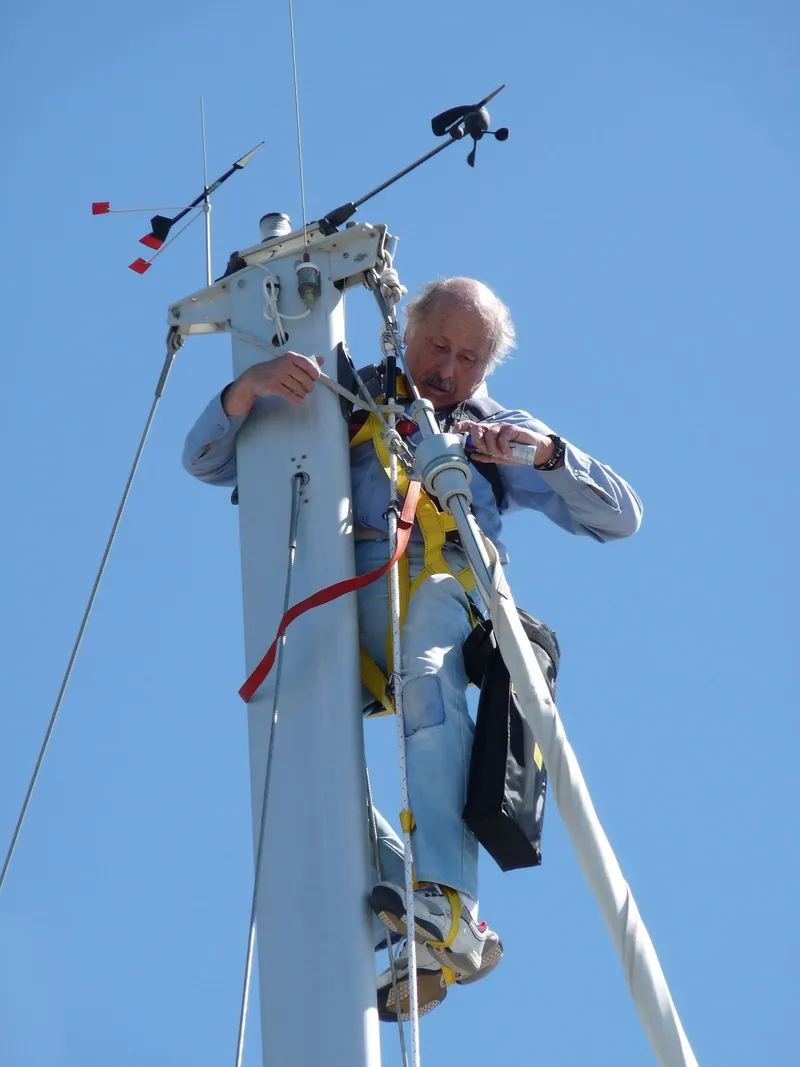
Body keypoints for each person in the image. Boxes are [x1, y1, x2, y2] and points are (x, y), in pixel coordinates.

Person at [182, 277, 642, 1019]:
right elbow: (206, 459)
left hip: (448, 597)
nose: (450, 369)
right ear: (407, 332)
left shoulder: (495, 432)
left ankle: (447, 904)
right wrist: (249, 389)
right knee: (311, 758)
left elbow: (621, 517)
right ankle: (430, 923)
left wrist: (549, 455)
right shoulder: (342, 395)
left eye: (470, 358)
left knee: (427, 661)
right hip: (355, 617)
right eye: (439, 345)